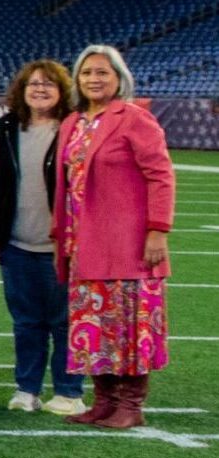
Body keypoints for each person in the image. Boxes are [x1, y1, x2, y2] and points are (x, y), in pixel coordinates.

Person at [57, 44, 175, 430]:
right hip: (83, 242)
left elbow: (161, 175)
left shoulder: (135, 119)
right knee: (93, 325)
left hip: (127, 243)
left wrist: (158, 230)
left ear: (118, 78)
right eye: (87, 72)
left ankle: (130, 403)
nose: (94, 79)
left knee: (128, 323)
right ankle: (104, 401)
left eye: (102, 72)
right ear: (77, 79)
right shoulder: (72, 122)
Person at [0, 58, 83, 416]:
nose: (40, 90)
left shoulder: (73, 128)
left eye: (48, 84)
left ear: (61, 91)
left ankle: (68, 390)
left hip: (61, 245)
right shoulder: (8, 127)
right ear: (21, 90)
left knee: (63, 322)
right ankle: (27, 388)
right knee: (26, 322)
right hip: (17, 243)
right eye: (33, 84)